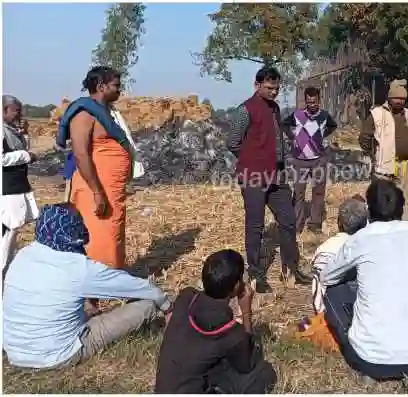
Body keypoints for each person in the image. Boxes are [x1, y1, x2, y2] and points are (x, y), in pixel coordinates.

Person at [2, 203, 172, 369]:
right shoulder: (79, 267)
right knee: (147, 305)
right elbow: (137, 287)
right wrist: (166, 305)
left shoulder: (23, 255)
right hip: (57, 354)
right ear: (74, 228)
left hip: (13, 350)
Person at [320, 180, 408, 382]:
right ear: (402, 208)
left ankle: (355, 339)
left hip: (368, 359)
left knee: (332, 292)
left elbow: (327, 276)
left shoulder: (361, 238)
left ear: (369, 210)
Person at [228, 66, 312, 293]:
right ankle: (256, 274)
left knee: (288, 220)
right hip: (253, 176)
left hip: (277, 175)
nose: (274, 92)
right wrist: (252, 159)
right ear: (257, 86)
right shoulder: (244, 110)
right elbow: (233, 143)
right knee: (255, 226)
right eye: (269, 88)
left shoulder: (275, 108)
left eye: (276, 88)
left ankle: (291, 269)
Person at [154, 249, 277, 394]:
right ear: (237, 286)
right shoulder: (231, 332)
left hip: (163, 390)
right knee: (264, 372)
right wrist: (246, 312)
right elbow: (247, 365)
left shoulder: (186, 297)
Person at [55, 66, 134, 270]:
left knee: (112, 233)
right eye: (116, 86)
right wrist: (97, 192)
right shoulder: (84, 113)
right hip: (95, 188)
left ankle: (110, 278)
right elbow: (81, 154)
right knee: (97, 235)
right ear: (101, 86)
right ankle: (93, 291)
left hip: (111, 187)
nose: (120, 90)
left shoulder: (108, 114)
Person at [281, 86, 338, 234]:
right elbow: (284, 125)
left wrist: (321, 136)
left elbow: (333, 126)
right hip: (300, 159)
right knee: (299, 193)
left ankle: (315, 224)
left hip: (319, 159)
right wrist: (293, 137)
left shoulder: (325, 116)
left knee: (318, 193)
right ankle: (297, 225)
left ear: (319, 100)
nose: (312, 105)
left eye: (315, 102)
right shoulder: (297, 115)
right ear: (305, 101)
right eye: (309, 102)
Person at [359, 79, 408, 220]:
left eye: (403, 99)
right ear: (389, 98)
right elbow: (364, 138)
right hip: (384, 167)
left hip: (403, 165)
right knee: (381, 200)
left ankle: (404, 227)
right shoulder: (377, 113)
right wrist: (374, 155)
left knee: (404, 198)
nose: (400, 101)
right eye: (397, 98)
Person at [311, 195, 367, 314]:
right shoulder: (369, 250)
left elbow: (318, 299)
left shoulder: (324, 249)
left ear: (338, 222)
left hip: (330, 317)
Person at [2, 94, 39, 273]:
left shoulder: (10, 129)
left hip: (15, 188)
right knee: (6, 236)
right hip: (7, 191)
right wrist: (26, 156)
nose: (19, 114)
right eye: (16, 111)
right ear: (4, 110)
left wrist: (24, 134)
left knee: (11, 234)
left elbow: (21, 148)